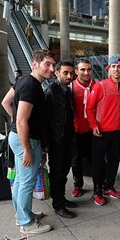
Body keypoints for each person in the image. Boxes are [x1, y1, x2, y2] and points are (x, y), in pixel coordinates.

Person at [2, 49, 56, 234]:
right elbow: (21, 120)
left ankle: (22, 215)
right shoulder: (32, 87)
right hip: (27, 140)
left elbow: (6, 103)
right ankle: (26, 223)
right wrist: (27, 147)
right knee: (26, 182)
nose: (51, 69)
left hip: (18, 136)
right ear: (35, 64)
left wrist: (18, 125)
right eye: (47, 64)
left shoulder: (22, 80)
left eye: (53, 65)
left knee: (20, 180)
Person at [86, 56, 120, 206]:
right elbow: (89, 108)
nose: (116, 69)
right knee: (98, 163)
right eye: (113, 67)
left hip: (116, 131)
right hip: (101, 131)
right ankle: (97, 191)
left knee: (114, 161)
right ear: (108, 69)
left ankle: (109, 186)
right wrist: (94, 125)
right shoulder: (100, 85)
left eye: (119, 67)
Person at [44, 60, 77, 219]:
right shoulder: (51, 90)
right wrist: (46, 143)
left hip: (68, 137)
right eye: (65, 73)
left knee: (64, 171)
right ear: (57, 72)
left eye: (71, 73)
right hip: (56, 139)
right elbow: (45, 119)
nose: (69, 76)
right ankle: (58, 205)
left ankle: (61, 198)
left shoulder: (66, 90)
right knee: (57, 172)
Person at [70, 59, 95, 198]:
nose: (86, 72)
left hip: (93, 130)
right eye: (83, 69)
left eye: (89, 69)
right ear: (76, 71)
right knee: (76, 160)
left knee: (95, 158)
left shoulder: (96, 86)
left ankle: (99, 183)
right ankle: (78, 184)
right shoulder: (71, 87)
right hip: (76, 131)